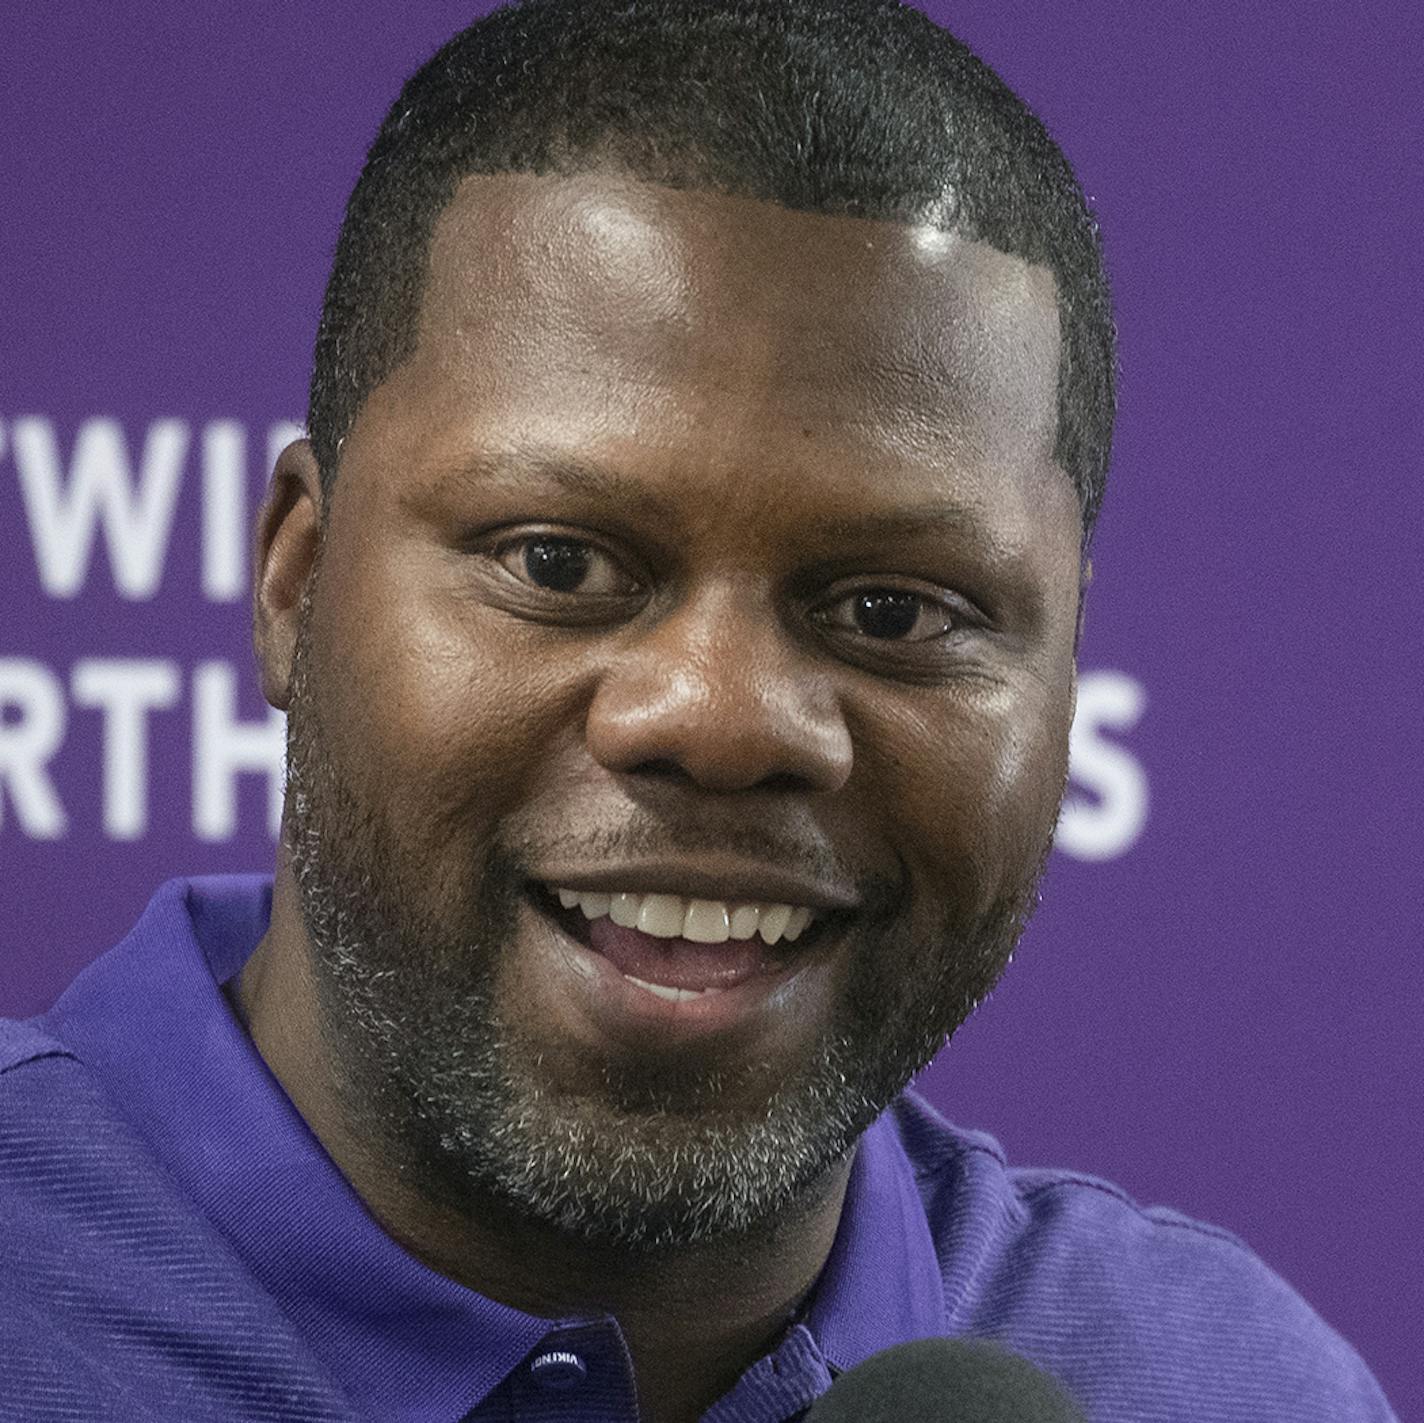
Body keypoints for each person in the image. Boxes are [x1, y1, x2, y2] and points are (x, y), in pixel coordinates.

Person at [0, 2, 1397, 1420]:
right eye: (560, 563)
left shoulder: (1229, 1385)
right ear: (296, 581)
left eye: (895, 613)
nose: (723, 720)